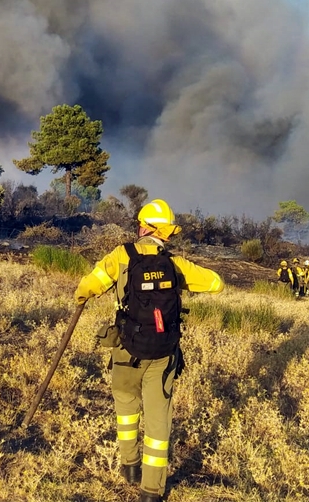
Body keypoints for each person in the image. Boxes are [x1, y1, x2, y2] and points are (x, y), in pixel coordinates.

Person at [75, 198, 225, 502]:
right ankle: (152, 491)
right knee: (158, 421)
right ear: (166, 233)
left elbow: (90, 285)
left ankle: (129, 466)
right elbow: (216, 283)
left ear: (144, 226)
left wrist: (82, 294)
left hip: (127, 351)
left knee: (127, 407)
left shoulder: (121, 256)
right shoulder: (174, 264)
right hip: (163, 353)